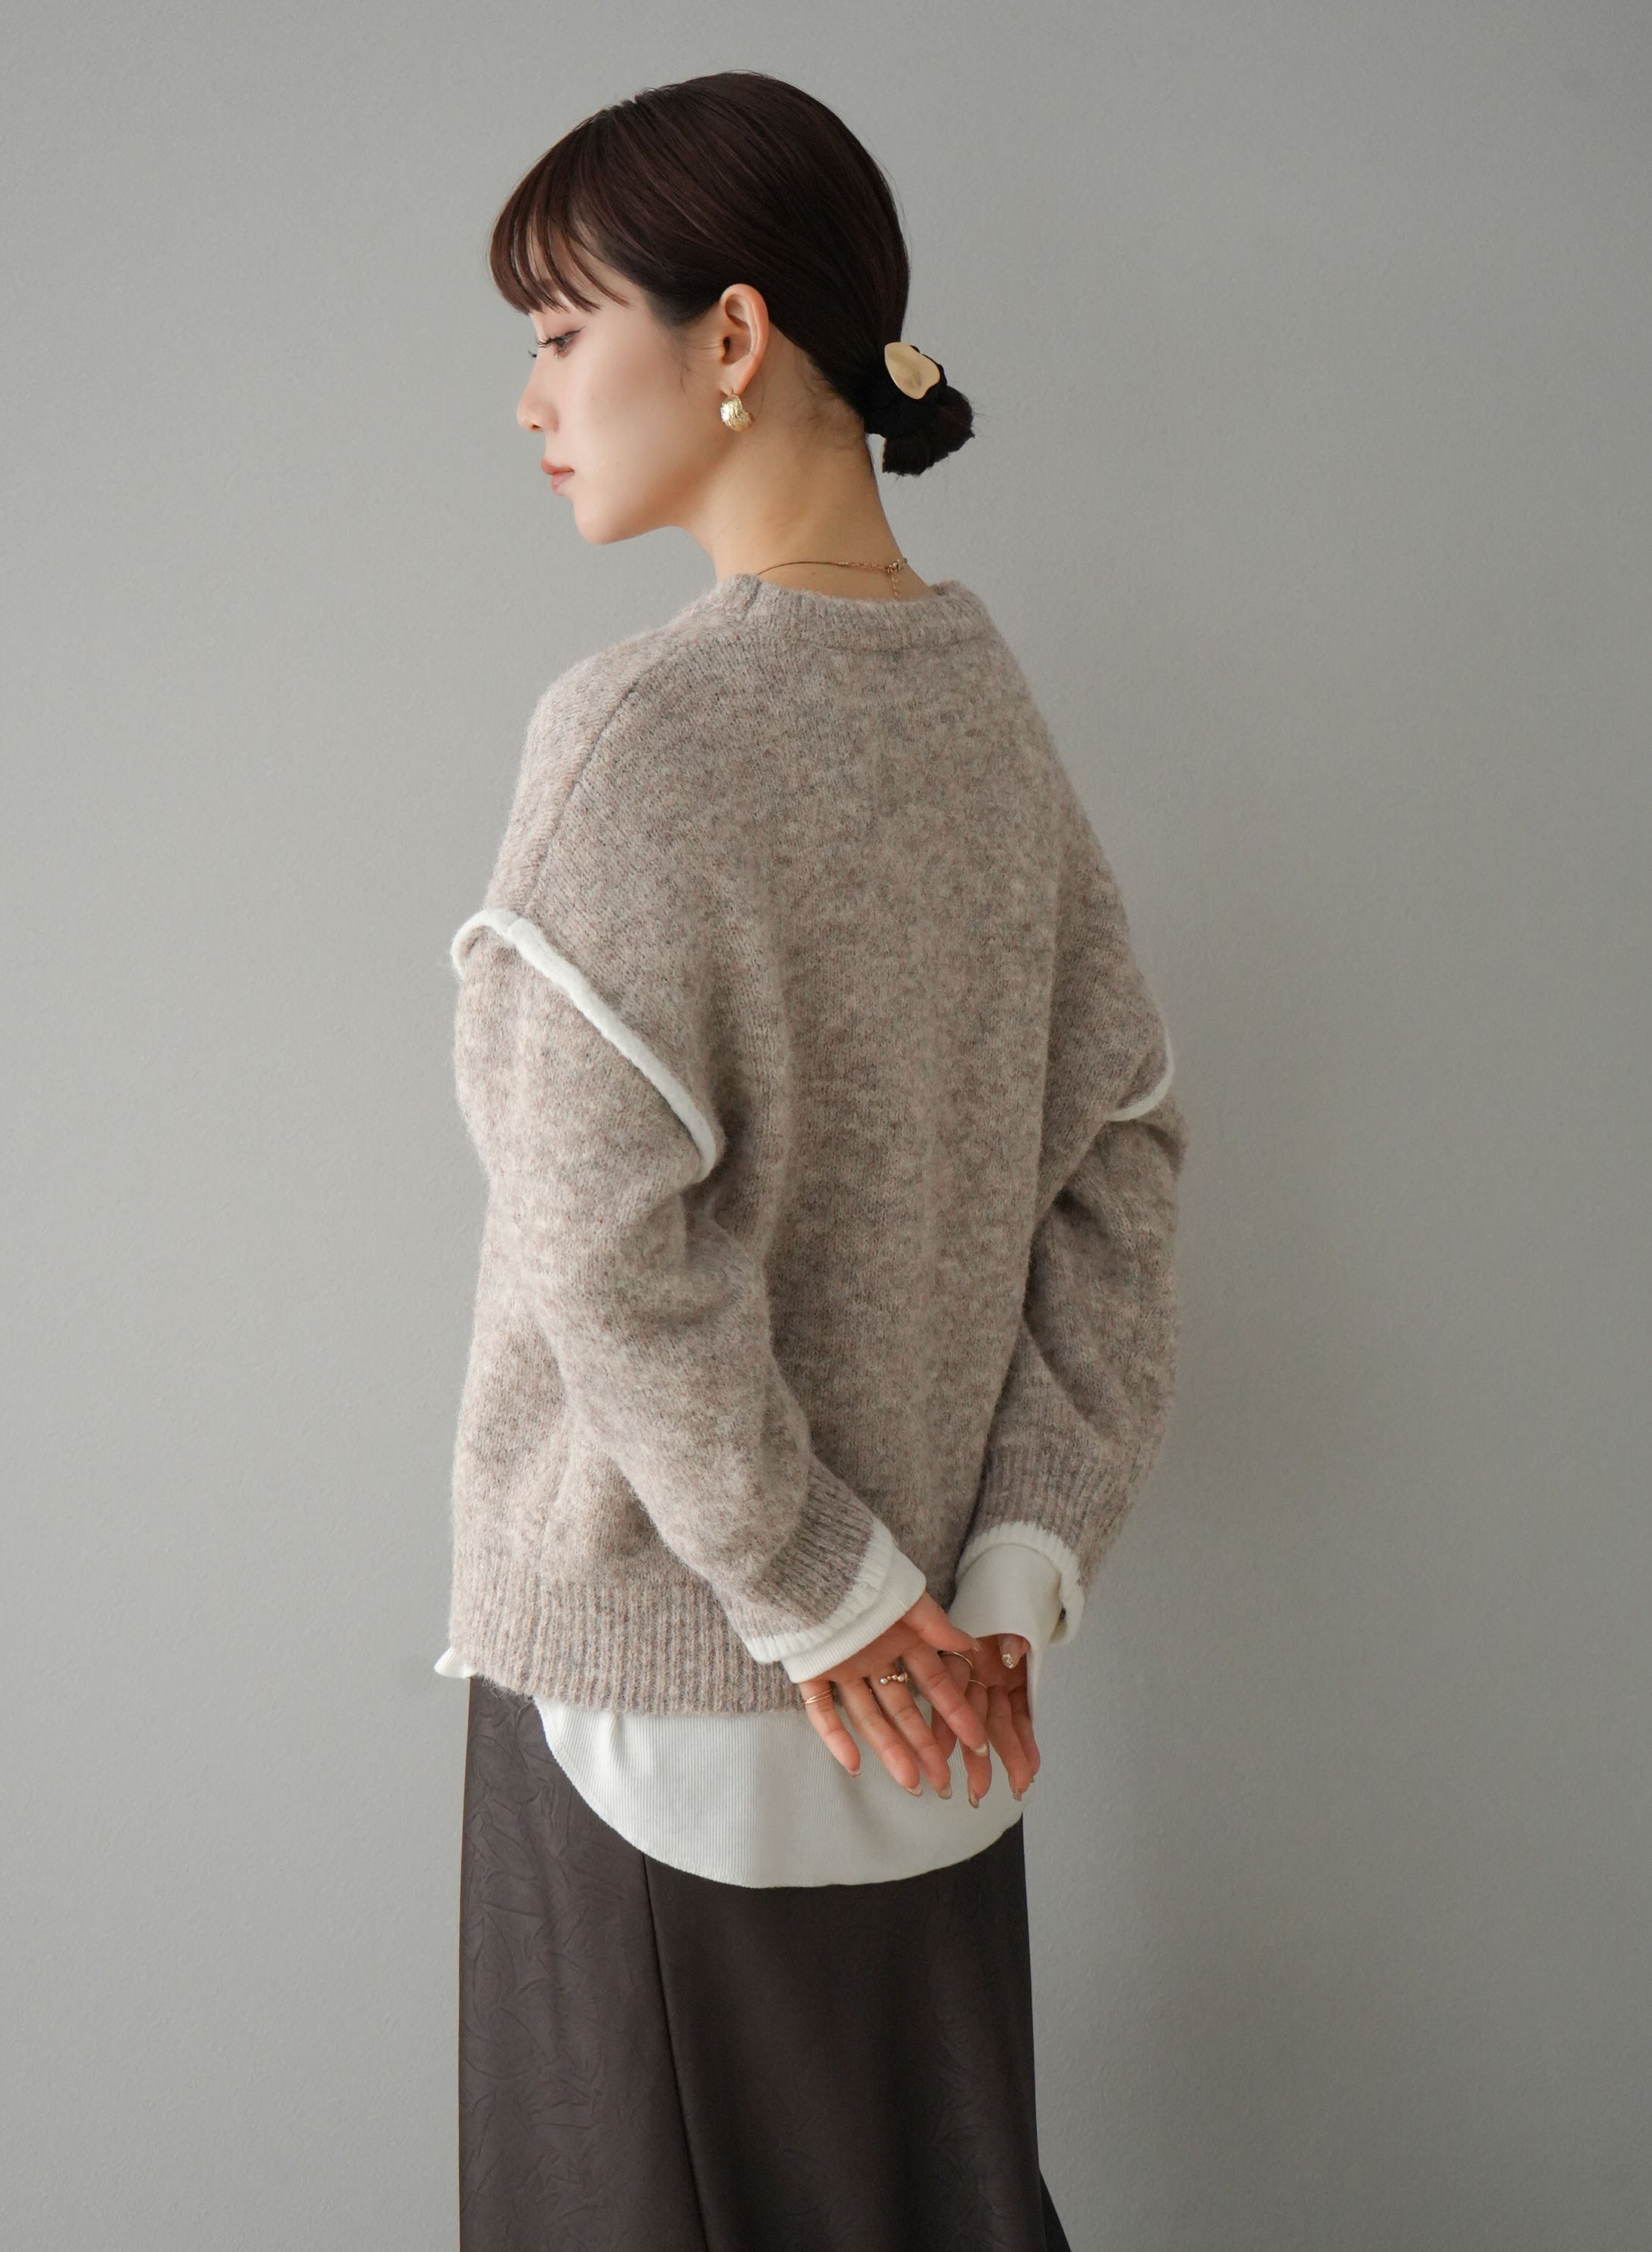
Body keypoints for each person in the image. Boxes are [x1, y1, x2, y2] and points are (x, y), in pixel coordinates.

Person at [433, 69, 1188, 2252]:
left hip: (664, 1695)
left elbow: (601, 1247)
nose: (530, 398)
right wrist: (1007, 1568)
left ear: (737, 337)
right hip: (938, 1720)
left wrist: (817, 1590)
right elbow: (1123, 1159)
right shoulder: (985, 712)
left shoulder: (634, 733)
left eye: (561, 330)